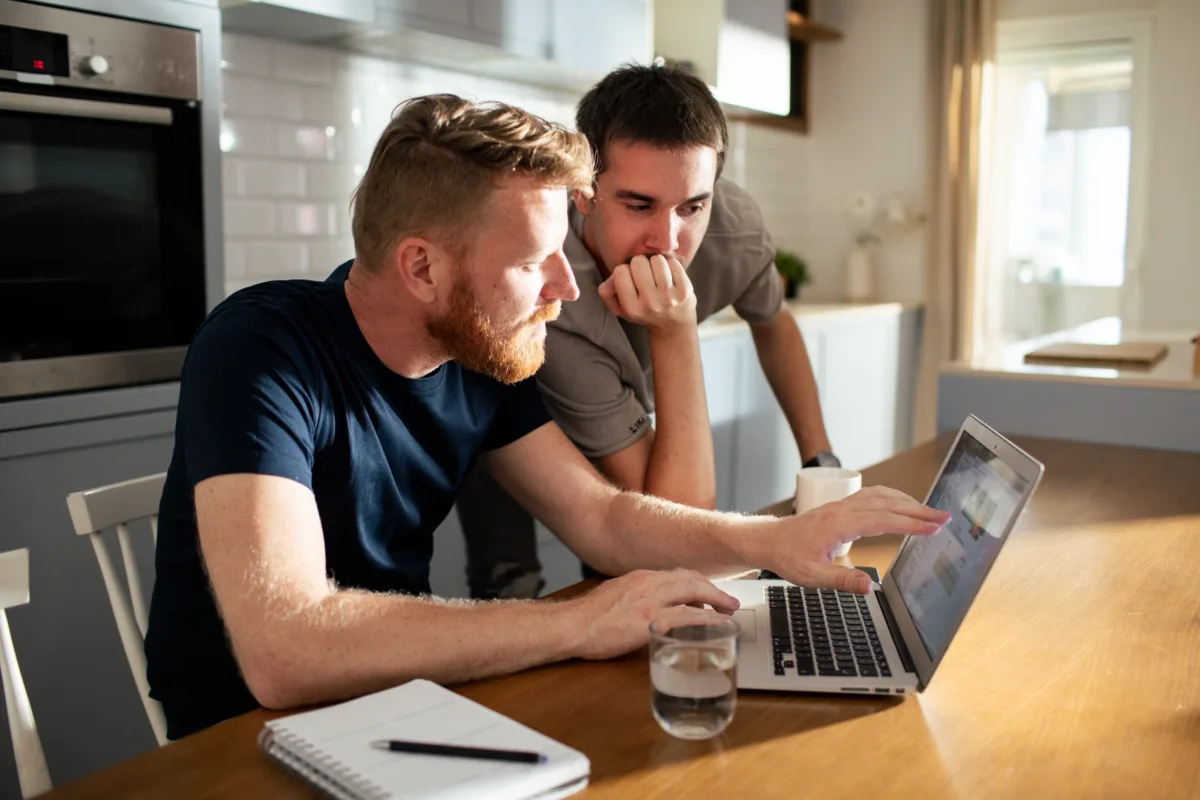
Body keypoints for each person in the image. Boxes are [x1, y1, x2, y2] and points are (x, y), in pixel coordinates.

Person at [144, 95, 948, 740]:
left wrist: (775, 540)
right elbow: (287, 650)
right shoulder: (260, 351)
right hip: (245, 740)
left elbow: (603, 519)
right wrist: (579, 621)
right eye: (535, 261)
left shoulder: (477, 356)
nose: (566, 288)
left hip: (398, 707)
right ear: (422, 267)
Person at [459, 64, 841, 588]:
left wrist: (820, 459)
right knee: (512, 581)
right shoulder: (554, 292)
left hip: (627, 397)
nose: (667, 239)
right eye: (639, 205)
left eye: (693, 206)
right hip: (505, 398)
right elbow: (678, 521)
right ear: (583, 193)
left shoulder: (735, 232)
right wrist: (676, 331)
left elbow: (773, 323)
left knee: (629, 570)